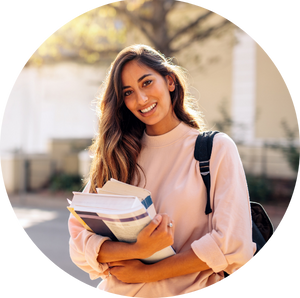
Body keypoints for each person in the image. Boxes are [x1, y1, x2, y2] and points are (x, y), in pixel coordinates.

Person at [68, 44, 256, 297]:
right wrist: (138, 249)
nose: (141, 99)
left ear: (169, 81)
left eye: (147, 83)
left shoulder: (214, 149)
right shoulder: (118, 156)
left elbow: (232, 244)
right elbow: (79, 245)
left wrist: (145, 273)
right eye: (128, 92)